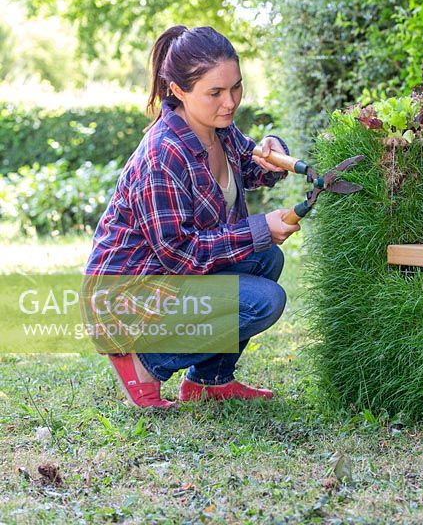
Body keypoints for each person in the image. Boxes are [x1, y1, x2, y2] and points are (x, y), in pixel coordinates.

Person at [85, 25, 299, 408]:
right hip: (131, 296)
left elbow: (253, 170)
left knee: (267, 258)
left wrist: (274, 151)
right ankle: (144, 363)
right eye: (215, 93)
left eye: (236, 87)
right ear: (178, 91)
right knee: (264, 300)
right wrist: (259, 228)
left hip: (171, 281)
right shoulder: (162, 156)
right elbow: (181, 255)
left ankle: (209, 381)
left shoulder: (220, 130)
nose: (230, 102)